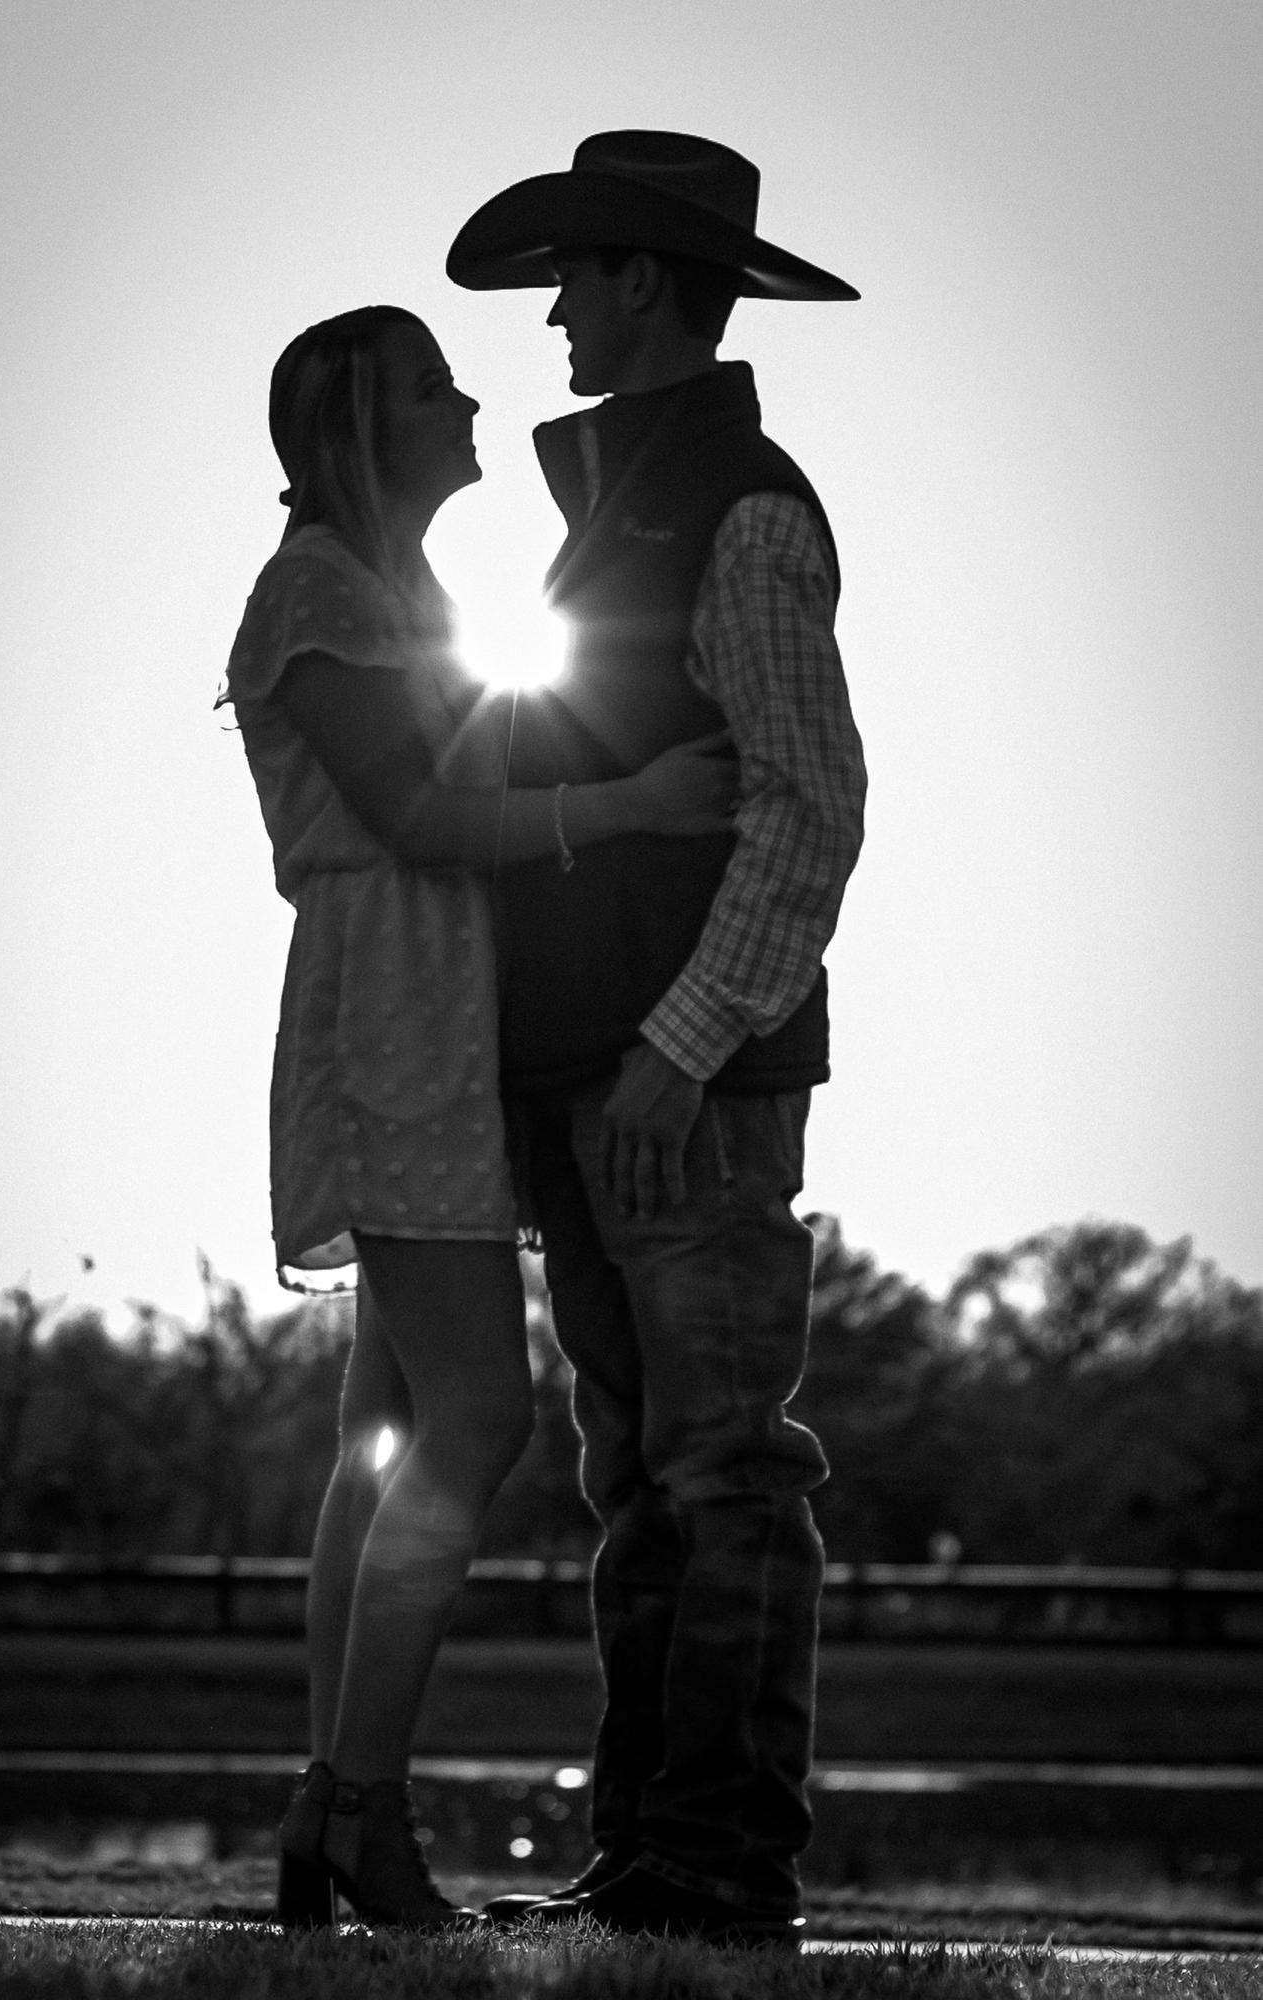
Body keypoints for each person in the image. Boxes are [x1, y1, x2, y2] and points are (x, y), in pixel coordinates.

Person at [217, 303, 736, 1929]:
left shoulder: (395, 594)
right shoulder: (318, 592)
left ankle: (328, 1796)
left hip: (437, 1005)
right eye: (435, 388)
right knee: (478, 1416)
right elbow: (417, 813)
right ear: (362, 426)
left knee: (380, 1433)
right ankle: (361, 1807)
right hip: (392, 1006)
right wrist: (629, 803)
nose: (470, 407)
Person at [445, 132, 868, 1945]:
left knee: (722, 1471)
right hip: (593, 1079)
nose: (552, 313)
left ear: (640, 279)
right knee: (638, 1484)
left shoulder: (745, 508)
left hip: (683, 1087)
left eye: (574, 275)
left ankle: (721, 1871)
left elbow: (807, 810)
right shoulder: (619, 509)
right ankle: (651, 1864)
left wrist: (678, 1048)